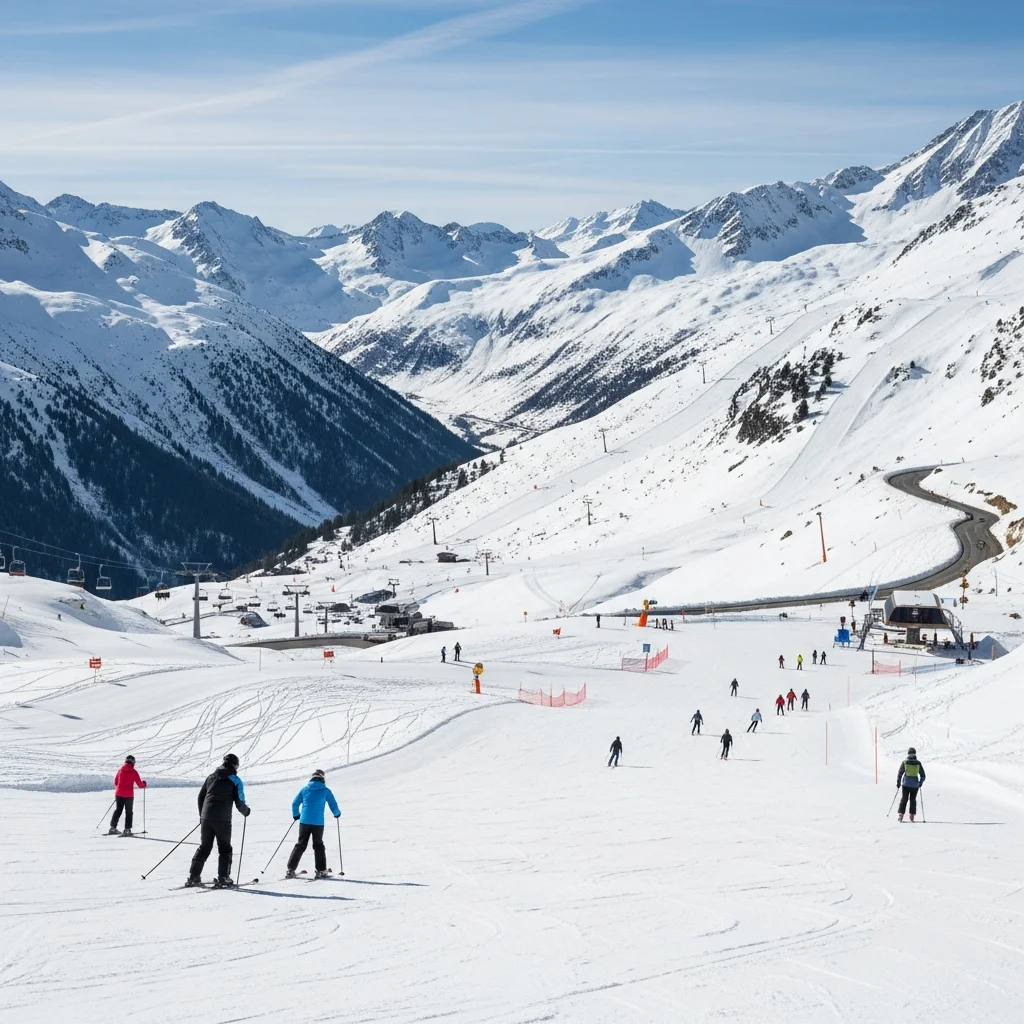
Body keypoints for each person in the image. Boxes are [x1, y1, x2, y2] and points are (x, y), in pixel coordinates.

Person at [186, 753, 250, 887]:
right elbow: (240, 801)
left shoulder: (211, 777)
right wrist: (246, 811)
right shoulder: (235, 780)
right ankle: (223, 877)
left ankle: (193, 877)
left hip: (206, 818)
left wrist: (202, 816)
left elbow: (200, 797)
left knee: (204, 847)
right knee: (225, 848)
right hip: (222, 819)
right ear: (234, 765)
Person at [286, 769, 341, 879]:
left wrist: (296, 815)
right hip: (318, 822)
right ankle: (321, 870)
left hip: (304, 821)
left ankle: (290, 870)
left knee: (300, 844)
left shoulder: (305, 789)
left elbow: (295, 803)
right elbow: (332, 804)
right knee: (318, 845)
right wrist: (337, 813)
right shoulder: (326, 791)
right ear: (323, 778)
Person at [108, 755, 146, 836]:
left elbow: (116, 782)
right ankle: (127, 830)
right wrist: (144, 784)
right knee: (129, 812)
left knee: (118, 810)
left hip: (119, 794)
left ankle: (112, 828)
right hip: (128, 795)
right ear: (132, 762)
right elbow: (140, 785)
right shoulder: (133, 772)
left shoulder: (120, 770)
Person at [896, 747, 926, 822]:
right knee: (913, 800)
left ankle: (901, 814)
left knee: (904, 799)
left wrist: (898, 782)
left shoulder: (905, 762)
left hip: (906, 784)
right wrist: (920, 783)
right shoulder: (918, 763)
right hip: (915, 785)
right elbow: (923, 775)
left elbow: (900, 773)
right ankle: (912, 815)